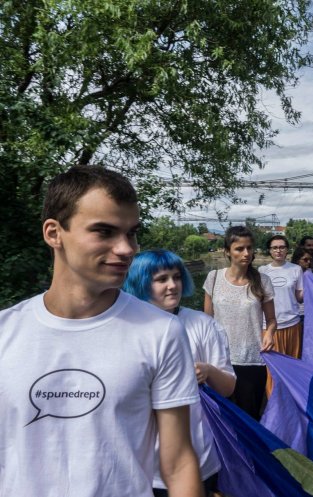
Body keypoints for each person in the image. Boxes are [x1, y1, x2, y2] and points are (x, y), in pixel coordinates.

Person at [0, 166, 202, 496]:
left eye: (131, 233)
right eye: (104, 232)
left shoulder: (161, 332)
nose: (127, 249)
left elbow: (178, 462)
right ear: (54, 233)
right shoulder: (5, 333)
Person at [124, 250, 236, 497]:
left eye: (176, 277)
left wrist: (207, 370)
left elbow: (228, 388)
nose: (172, 285)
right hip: (139, 466)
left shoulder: (203, 325)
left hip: (198, 459)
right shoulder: (124, 328)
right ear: (141, 282)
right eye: (161, 279)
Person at [204, 226, 277, 420]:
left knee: (250, 417)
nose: (246, 253)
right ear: (227, 251)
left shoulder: (262, 280)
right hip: (220, 359)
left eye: (249, 248)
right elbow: (206, 322)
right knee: (223, 418)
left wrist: (269, 332)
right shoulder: (213, 278)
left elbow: (271, 320)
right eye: (239, 248)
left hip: (252, 360)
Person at [259, 235, 304, 363]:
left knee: (293, 364)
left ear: (287, 250)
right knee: (272, 368)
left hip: (292, 323)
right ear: (270, 250)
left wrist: (311, 288)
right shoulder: (262, 271)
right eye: (274, 248)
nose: (278, 251)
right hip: (268, 328)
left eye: (282, 247)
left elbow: (299, 298)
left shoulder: (296, 269)